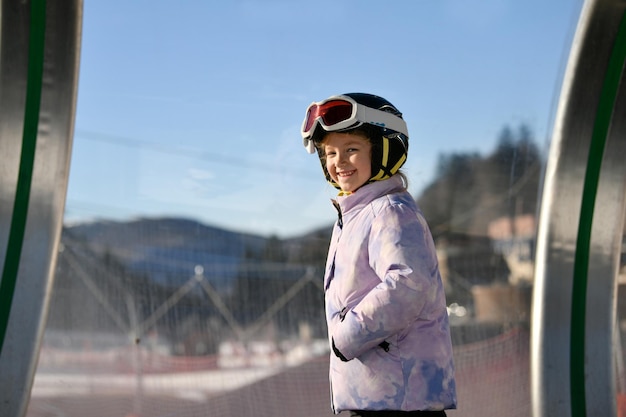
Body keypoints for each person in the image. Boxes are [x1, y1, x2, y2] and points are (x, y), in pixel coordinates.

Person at [300, 93, 457, 416]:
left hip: (401, 400)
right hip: (376, 396)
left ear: (385, 150)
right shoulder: (355, 215)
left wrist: (347, 337)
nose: (338, 162)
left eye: (352, 149)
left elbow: (407, 284)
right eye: (330, 153)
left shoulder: (390, 211)